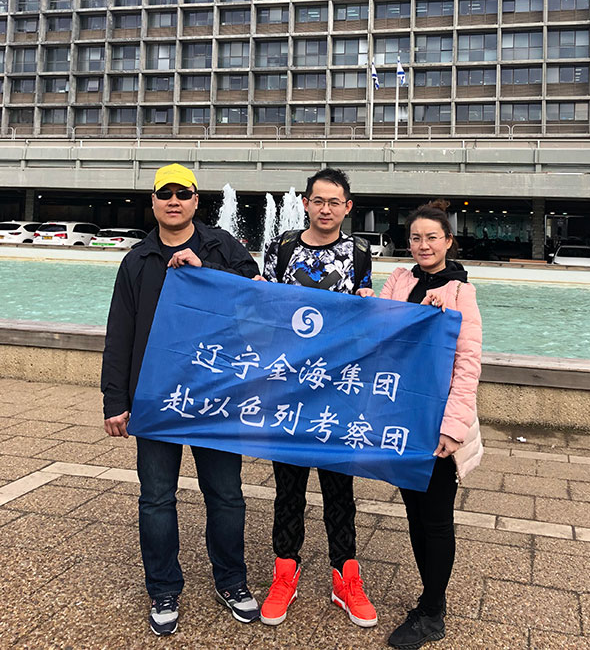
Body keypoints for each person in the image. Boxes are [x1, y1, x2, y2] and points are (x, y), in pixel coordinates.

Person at [101, 163, 260, 636]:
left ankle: (231, 580)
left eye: (182, 193)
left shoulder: (223, 247)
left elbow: (257, 298)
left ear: (196, 201)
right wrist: (114, 399)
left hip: (216, 394)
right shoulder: (137, 260)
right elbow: (120, 333)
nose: (174, 201)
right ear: (153, 202)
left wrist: (206, 271)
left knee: (226, 495)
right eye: (164, 193)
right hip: (156, 396)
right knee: (156, 498)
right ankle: (163, 588)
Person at [256, 167, 378, 629]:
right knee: (288, 487)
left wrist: (369, 303)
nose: (326, 209)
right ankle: (284, 572)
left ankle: (345, 577)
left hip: (338, 389)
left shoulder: (359, 251)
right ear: (306, 203)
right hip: (288, 386)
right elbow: (264, 310)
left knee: (338, 487)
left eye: (335, 202)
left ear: (348, 207)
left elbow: (364, 318)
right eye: (318, 201)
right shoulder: (282, 247)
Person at [379, 203, 483, 650]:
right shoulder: (399, 280)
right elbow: (379, 332)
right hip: (402, 417)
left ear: (448, 242)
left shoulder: (461, 292)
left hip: (437, 420)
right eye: (416, 238)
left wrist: (453, 428)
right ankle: (428, 598)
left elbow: (467, 364)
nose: (423, 245)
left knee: (437, 518)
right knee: (414, 513)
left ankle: (433, 611)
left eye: (432, 237)